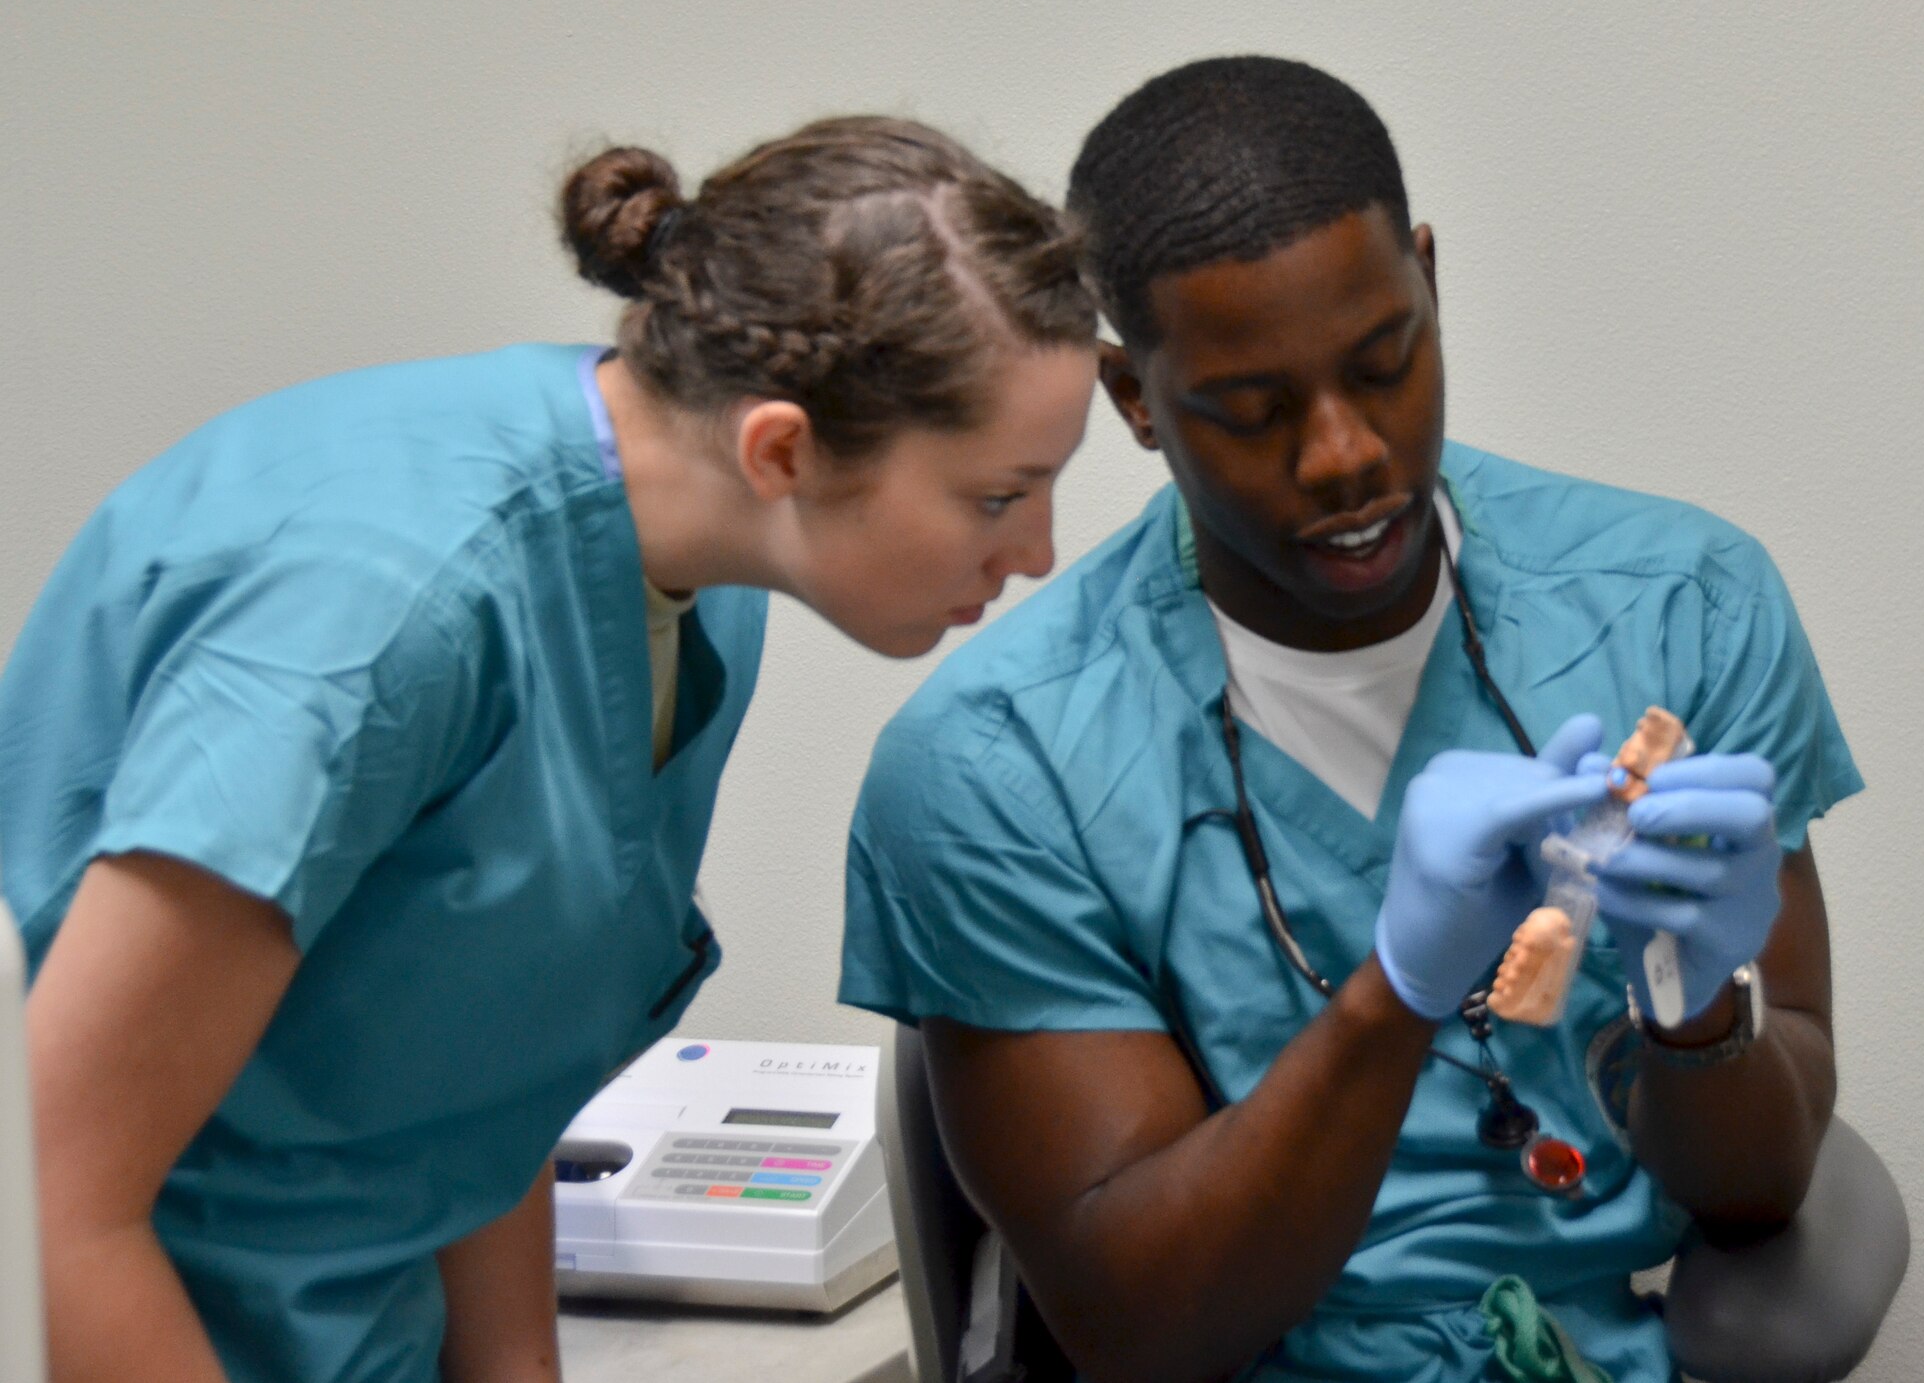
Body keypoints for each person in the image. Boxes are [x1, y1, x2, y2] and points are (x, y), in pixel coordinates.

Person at [0, 116, 1099, 1383]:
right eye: (998, 495)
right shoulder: (374, 620)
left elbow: (481, 1054)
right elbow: (52, 1201)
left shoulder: (695, 578)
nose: (1035, 554)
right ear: (782, 448)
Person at [840, 59, 1860, 1382]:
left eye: (1386, 364)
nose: (1344, 453)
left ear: (1429, 280)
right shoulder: (993, 764)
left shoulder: (1682, 608)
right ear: (1135, 397)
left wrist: (1692, 1003)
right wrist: (1401, 992)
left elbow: (1760, 1190)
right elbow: (1140, 1326)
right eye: (1250, 410)